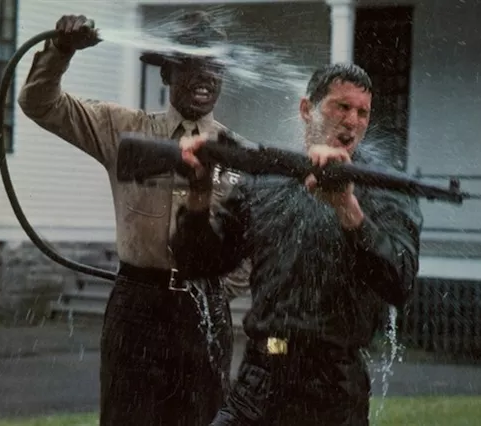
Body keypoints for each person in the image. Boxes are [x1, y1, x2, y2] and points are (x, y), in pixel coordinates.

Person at [17, 11, 250, 426]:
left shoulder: (237, 152)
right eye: (192, 63)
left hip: (205, 311)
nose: (205, 76)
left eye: (215, 66)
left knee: (204, 417)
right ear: (167, 73)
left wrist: (213, 291)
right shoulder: (124, 130)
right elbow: (39, 102)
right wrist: (61, 50)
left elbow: (251, 241)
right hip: (137, 305)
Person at [171, 63, 424, 425]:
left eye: (362, 112)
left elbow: (400, 281)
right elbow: (198, 263)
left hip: (333, 389)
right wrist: (198, 192)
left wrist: (347, 209)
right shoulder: (267, 180)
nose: (352, 121)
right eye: (341, 107)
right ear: (307, 109)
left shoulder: (384, 189)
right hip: (260, 378)